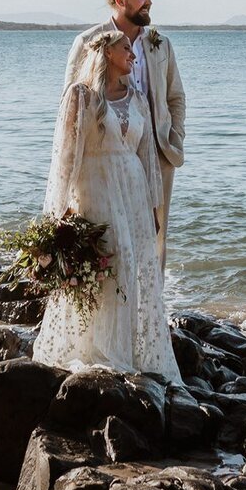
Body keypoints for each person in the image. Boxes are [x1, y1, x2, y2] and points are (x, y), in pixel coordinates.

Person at [32, 29, 181, 382]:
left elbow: (146, 160)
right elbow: (64, 159)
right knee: (108, 265)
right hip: (96, 188)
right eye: (126, 49)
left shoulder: (138, 99)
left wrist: (154, 210)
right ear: (107, 54)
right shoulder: (80, 97)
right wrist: (57, 212)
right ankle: (95, 348)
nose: (133, 56)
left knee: (133, 266)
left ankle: (129, 349)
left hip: (132, 192)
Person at [63, 0, 185, 268]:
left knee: (155, 237)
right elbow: (70, 106)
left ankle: (152, 309)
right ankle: (113, 308)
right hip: (106, 156)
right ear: (119, 0)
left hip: (157, 153)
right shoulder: (88, 42)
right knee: (109, 235)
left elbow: (176, 97)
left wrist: (174, 140)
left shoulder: (161, 44)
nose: (149, 2)